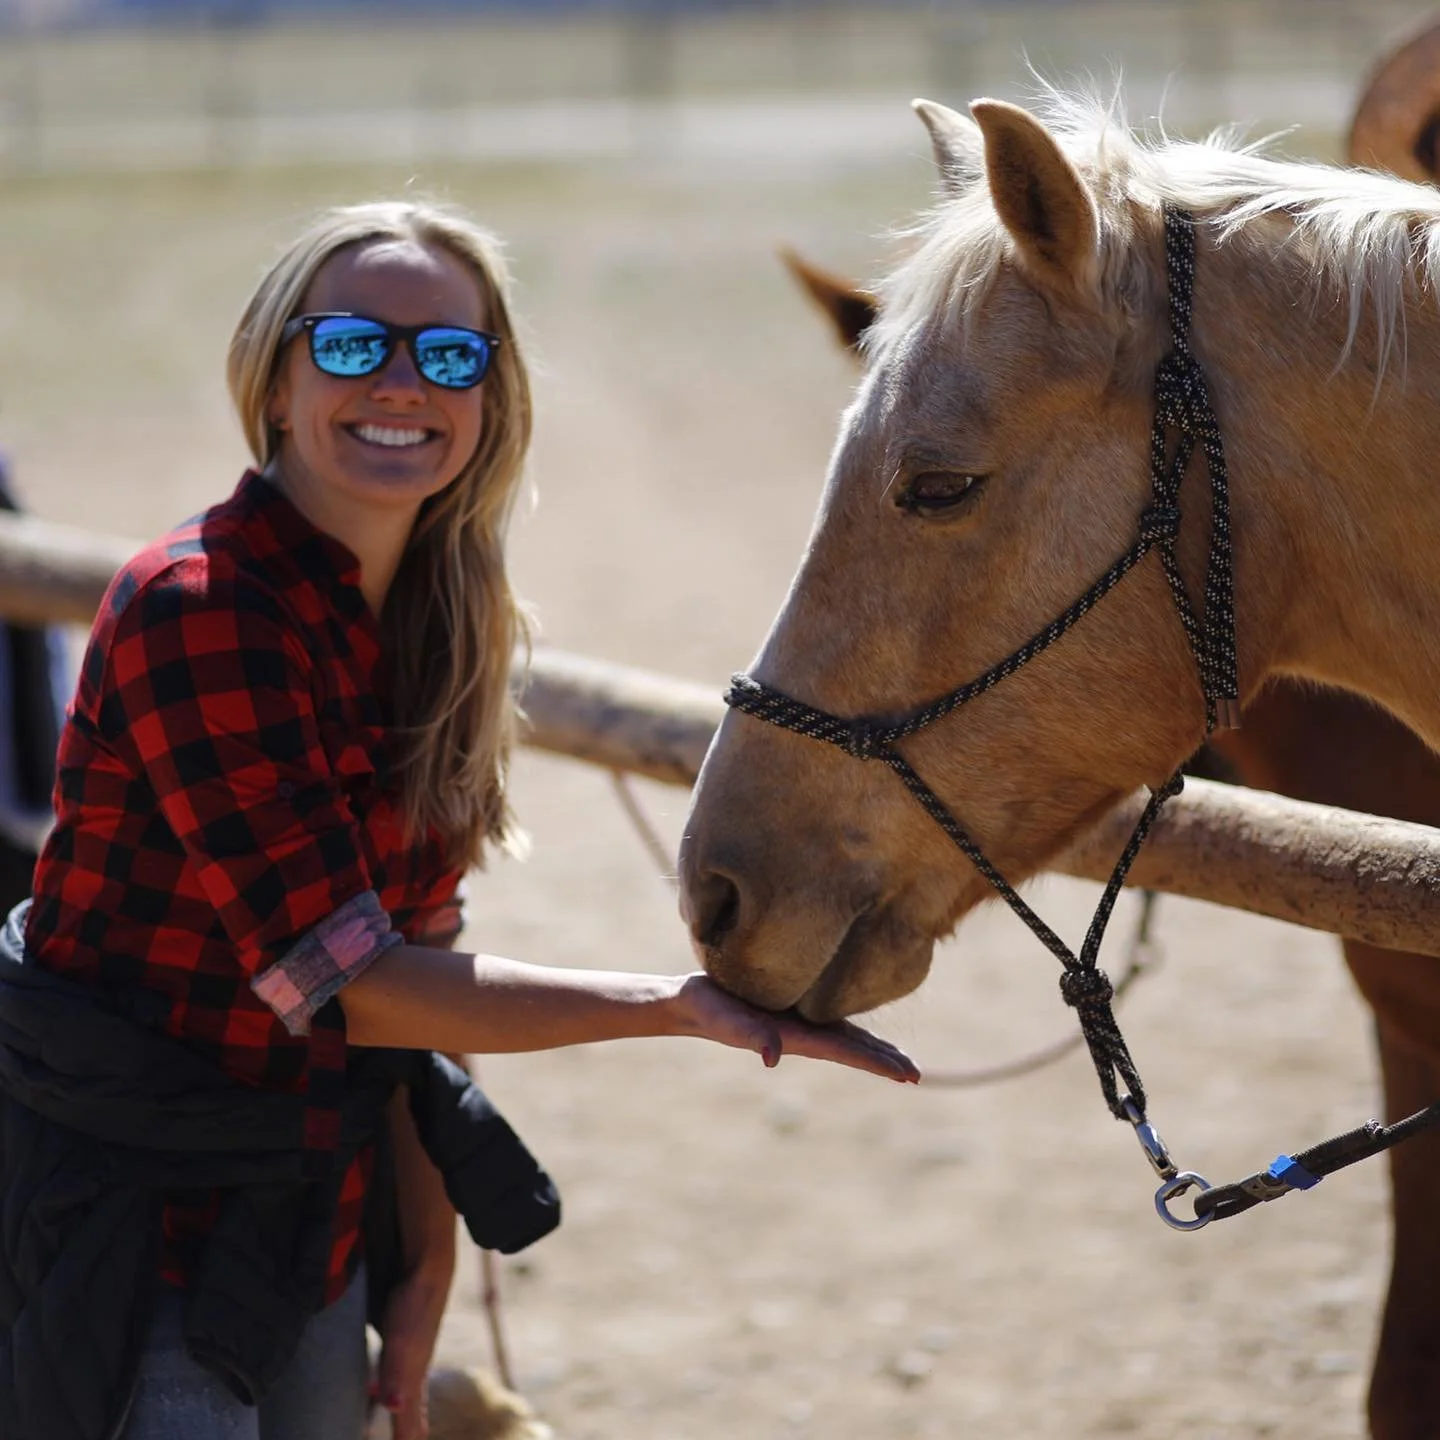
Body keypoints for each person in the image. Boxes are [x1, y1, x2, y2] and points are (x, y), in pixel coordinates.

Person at [0, 200, 918, 1440]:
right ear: (274, 383)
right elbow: (354, 985)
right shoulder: (199, 605)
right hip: (124, 1220)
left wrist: (423, 1270)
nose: (401, 382)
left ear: (488, 403)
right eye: (350, 346)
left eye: (447, 355)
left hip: (309, 1218)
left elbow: (415, 977)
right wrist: (673, 1007)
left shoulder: (444, 626)